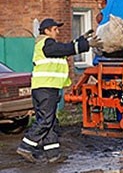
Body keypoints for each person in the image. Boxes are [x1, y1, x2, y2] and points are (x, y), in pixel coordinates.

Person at [16, 18, 103, 163]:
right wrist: (85, 45)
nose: (58, 31)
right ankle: (26, 146)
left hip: (44, 88)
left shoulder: (48, 45)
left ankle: (53, 155)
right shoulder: (46, 43)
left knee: (50, 122)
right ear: (47, 31)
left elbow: (64, 48)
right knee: (45, 120)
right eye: (55, 29)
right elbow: (64, 49)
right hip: (46, 88)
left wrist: (80, 40)